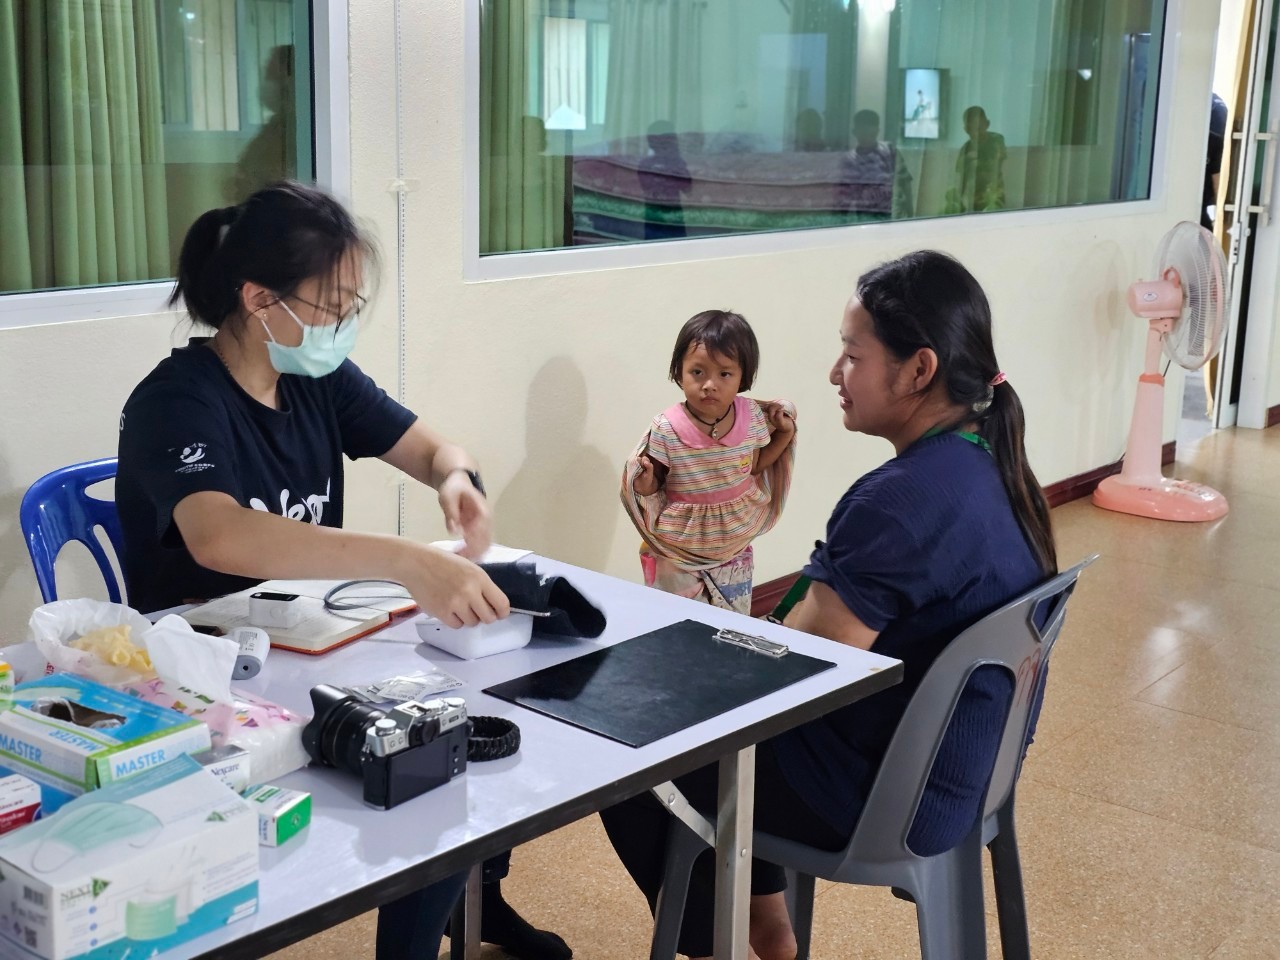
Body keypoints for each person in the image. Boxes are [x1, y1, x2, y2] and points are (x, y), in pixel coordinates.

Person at [115, 181, 568, 960]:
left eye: (353, 305)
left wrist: (457, 480)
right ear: (260, 299)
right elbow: (218, 536)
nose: (344, 324)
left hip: (314, 642)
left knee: (459, 720)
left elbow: (433, 448)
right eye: (333, 306)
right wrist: (404, 560)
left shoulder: (316, 379)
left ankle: (472, 904)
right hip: (213, 674)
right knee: (418, 751)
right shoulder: (176, 401)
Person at [601, 250, 1056, 960]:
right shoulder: (995, 463)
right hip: (966, 778)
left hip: (879, 798)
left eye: (852, 355)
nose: (834, 374)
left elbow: (793, 675)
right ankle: (768, 927)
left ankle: (722, 939)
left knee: (623, 724)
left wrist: (692, 658)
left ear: (919, 370)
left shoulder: (899, 501)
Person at [621, 310, 796, 614]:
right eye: (698, 372)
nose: (709, 384)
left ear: (743, 377)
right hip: (678, 551)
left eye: (724, 374)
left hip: (733, 547)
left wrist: (785, 433)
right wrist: (645, 482)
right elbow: (656, 485)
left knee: (731, 622)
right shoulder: (667, 427)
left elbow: (754, 466)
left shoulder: (752, 417)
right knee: (678, 622)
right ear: (679, 373)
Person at [838, 110, 914, 220]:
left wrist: (911, 214)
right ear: (855, 132)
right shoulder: (849, 160)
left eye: (871, 134)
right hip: (867, 219)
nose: (867, 138)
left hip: (894, 216)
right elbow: (846, 196)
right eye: (863, 134)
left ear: (877, 131)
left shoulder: (889, 151)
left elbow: (905, 183)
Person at [946, 105, 1007, 214]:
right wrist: (959, 200)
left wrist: (977, 160)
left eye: (979, 128)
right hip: (976, 196)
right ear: (966, 130)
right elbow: (962, 177)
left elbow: (998, 160)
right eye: (971, 129)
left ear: (987, 124)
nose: (975, 133)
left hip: (995, 193)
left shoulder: (997, 140)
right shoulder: (966, 149)